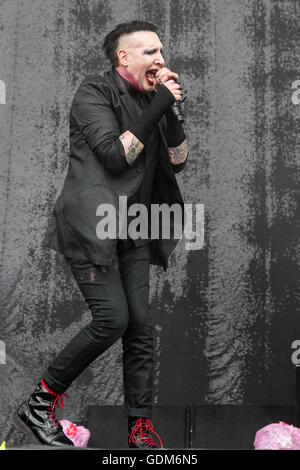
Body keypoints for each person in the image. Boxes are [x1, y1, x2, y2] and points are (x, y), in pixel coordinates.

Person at [11, 20, 188, 448]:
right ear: (123, 57)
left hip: (136, 229)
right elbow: (114, 156)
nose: (160, 59)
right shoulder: (93, 93)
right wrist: (158, 105)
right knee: (113, 320)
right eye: (149, 52)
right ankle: (39, 404)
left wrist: (170, 110)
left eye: (161, 51)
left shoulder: (154, 102)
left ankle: (139, 427)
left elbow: (178, 160)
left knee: (140, 329)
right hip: (93, 226)